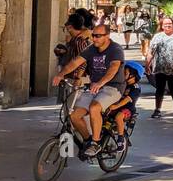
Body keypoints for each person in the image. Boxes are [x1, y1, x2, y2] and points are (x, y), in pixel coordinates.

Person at [54, 22, 126, 156]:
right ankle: (87, 141)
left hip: (113, 87)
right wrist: (60, 74)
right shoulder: (91, 49)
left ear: (107, 36)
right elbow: (75, 62)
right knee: (74, 116)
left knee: (94, 108)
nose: (94, 39)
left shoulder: (115, 49)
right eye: (93, 35)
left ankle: (96, 143)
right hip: (94, 87)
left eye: (98, 36)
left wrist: (100, 82)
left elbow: (113, 68)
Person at [147, 15, 173, 117]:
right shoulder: (157, 37)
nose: (168, 26)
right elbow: (151, 51)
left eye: (170, 24)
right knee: (159, 89)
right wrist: (147, 64)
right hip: (159, 68)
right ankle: (157, 109)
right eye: (165, 24)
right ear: (162, 26)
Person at [102, 64, 143, 152]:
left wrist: (116, 106)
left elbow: (127, 99)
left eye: (125, 73)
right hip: (116, 107)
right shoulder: (123, 84)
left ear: (133, 75)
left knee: (119, 116)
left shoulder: (135, 87)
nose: (123, 75)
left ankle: (121, 140)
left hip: (127, 109)